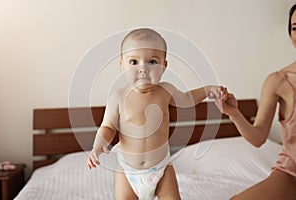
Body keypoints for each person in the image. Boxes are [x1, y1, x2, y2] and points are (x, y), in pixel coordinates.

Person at [87, 28, 227, 200]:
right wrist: (99, 144)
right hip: (128, 172)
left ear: (164, 66)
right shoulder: (118, 97)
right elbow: (108, 126)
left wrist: (207, 90)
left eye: (152, 62)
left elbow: (187, 99)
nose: (143, 69)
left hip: (161, 169)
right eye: (134, 62)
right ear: (122, 64)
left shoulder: (165, 91)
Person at [215, 4, 296, 200]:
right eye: (295, 28)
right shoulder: (278, 81)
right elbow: (258, 137)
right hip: (292, 174)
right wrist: (234, 113)